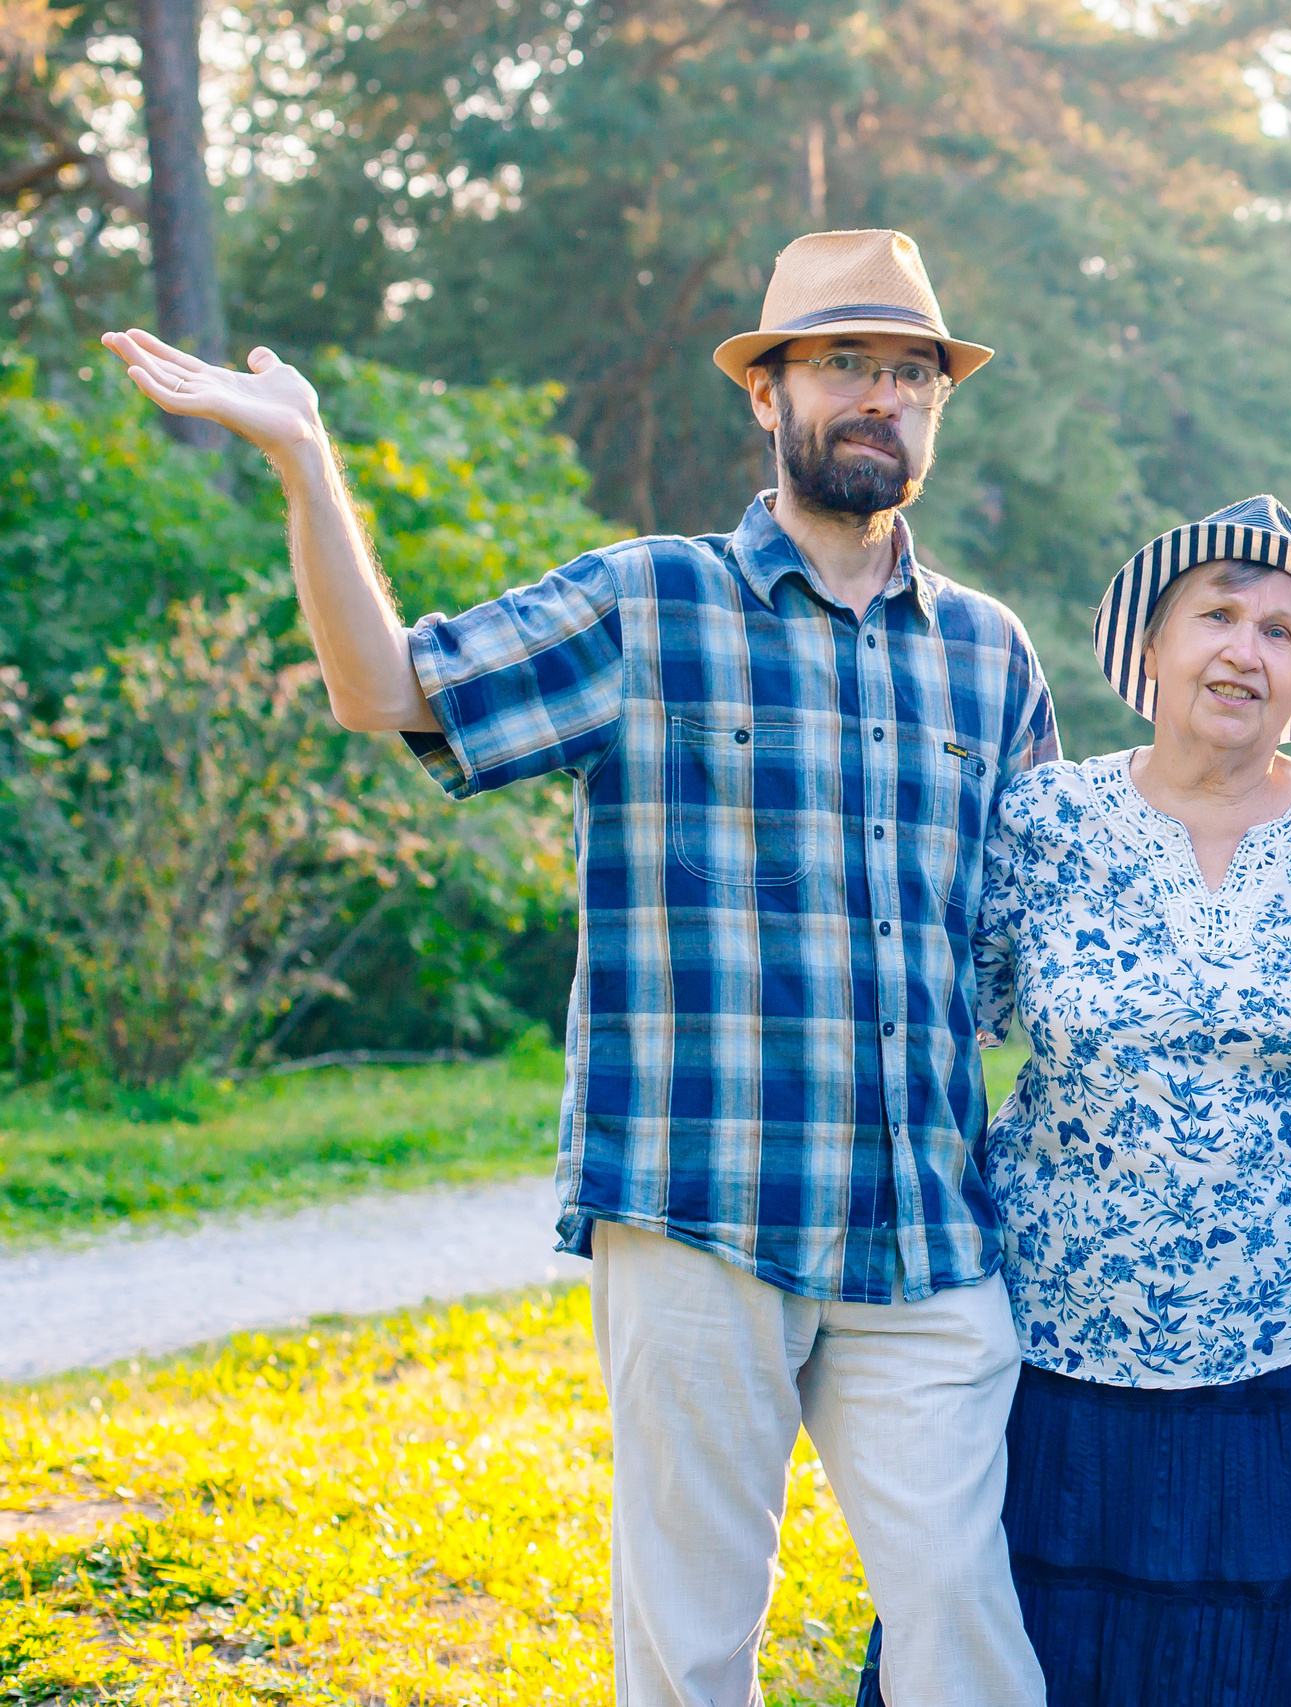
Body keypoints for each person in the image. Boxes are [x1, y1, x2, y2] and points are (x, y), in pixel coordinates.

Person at [104, 228, 1056, 1706]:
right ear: (768, 393)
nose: (883, 396)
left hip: (925, 1231)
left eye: (911, 374)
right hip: (697, 1209)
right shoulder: (646, 603)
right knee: (688, 1642)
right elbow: (383, 687)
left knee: (967, 1620)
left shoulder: (990, 656)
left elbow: (1035, 947)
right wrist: (306, 461)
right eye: (845, 364)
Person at [914, 495, 1291, 1707]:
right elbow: (945, 1025)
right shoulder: (1040, 820)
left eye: (1281, 633)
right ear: (1152, 645)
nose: (1244, 650)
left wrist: (1273, 1129)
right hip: (1058, 1333)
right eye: (1217, 616)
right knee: (1031, 1646)